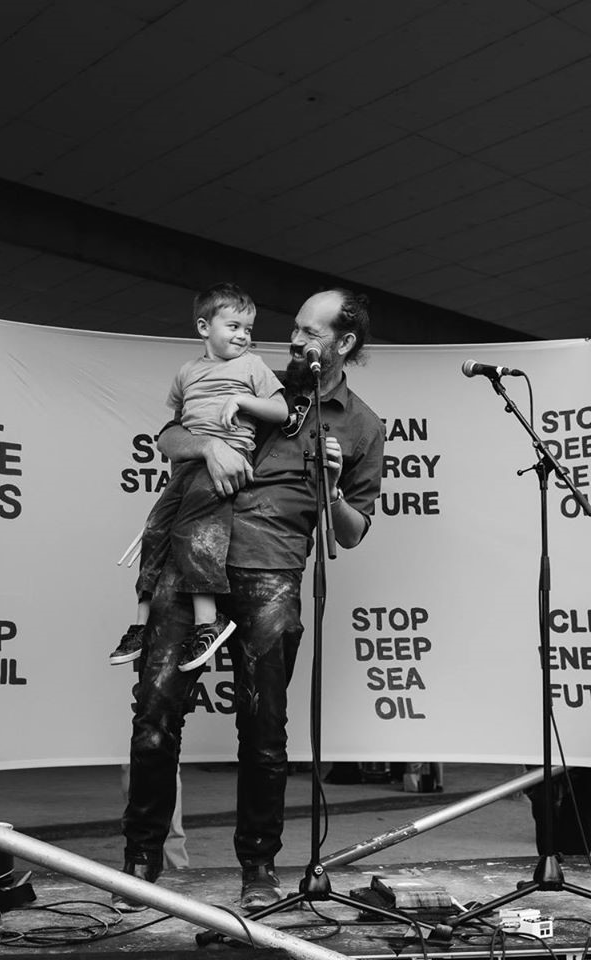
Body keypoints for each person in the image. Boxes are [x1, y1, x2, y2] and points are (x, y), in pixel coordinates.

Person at [115, 288, 385, 913]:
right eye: (294, 328)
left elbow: (351, 530)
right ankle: (139, 861)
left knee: (263, 731)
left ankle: (258, 866)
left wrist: (334, 484)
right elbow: (168, 435)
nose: (294, 341)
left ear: (343, 345)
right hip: (193, 562)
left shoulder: (363, 424)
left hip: (272, 571)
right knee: (154, 717)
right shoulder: (251, 376)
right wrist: (207, 446)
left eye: (310, 333)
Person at [109, 282, 287, 672]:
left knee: (192, 528)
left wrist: (241, 400)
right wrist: (194, 443)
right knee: (156, 530)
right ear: (204, 327)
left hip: (229, 459)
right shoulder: (187, 373)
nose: (243, 335)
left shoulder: (252, 366)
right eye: (234, 326)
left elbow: (280, 411)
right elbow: (175, 426)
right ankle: (140, 624)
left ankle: (209, 621)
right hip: (188, 467)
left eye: (249, 329)